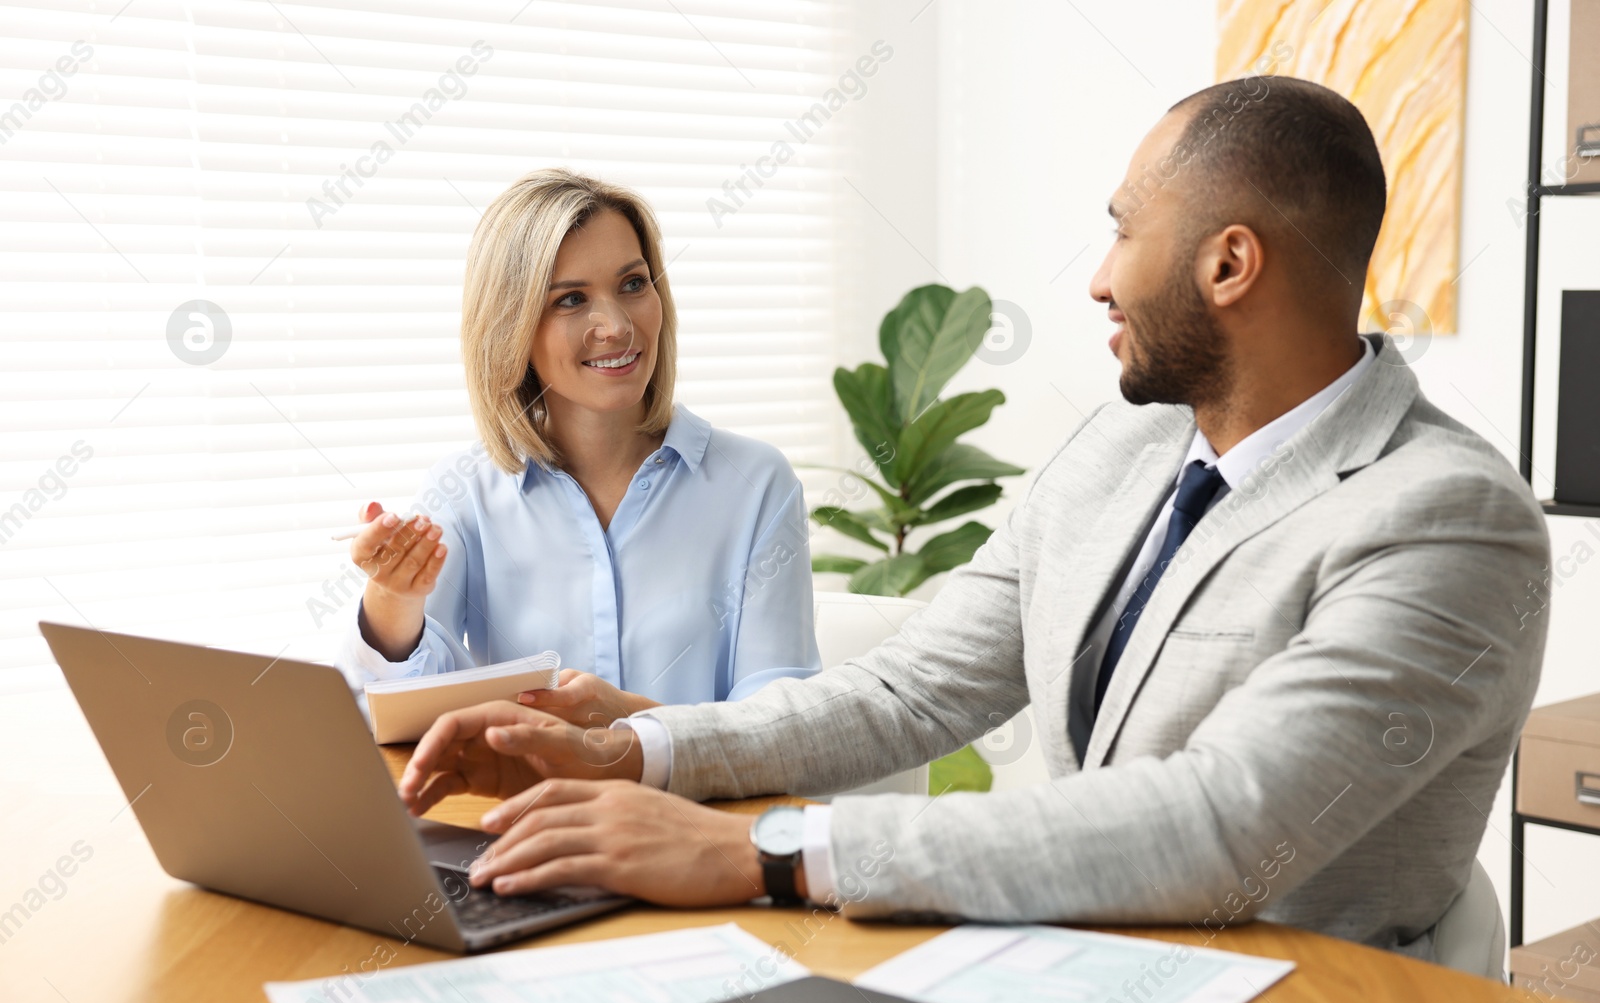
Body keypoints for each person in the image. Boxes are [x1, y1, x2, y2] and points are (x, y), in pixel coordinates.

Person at [396, 78, 1551, 958]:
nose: (1097, 279)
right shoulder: (1125, 446)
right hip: (1076, 961)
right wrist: (633, 748)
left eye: (1121, 232)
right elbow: (915, 688)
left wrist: (761, 849)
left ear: (1227, 264)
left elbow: (1225, 825)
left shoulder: (1446, 518)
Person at [339, 169, 820, 721]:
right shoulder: (465, 493)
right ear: (510, 329)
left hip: (688, 809)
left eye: (633, 285)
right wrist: (394, 598)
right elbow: (389, 718)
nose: (615, 326)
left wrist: (629, 726)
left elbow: (786, 727)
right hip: (523, 809)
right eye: (570, 299)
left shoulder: (756, 484)